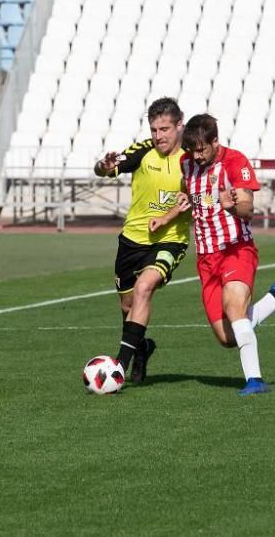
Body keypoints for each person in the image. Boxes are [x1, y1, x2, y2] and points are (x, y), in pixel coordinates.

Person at [180, 113, 275, 395]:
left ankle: (255, 380)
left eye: (202, 149)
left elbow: (248, 210)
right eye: (192, 149)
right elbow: (190, 193)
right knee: (227, 337)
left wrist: (231, 206)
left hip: (237, 249)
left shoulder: (235, 162)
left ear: (215, 141)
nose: (197, 155)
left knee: (234, 307)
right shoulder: (186, 163)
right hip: (206, 257)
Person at [93, 97, 190, 383]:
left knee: (145, 288)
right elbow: (106, 169)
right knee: (127, 307)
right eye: (154, 130)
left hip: (170, 241)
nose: (159, 136)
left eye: (164, 129)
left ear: (179, 125)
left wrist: (169, 218)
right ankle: (142, 347)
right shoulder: (142, 151)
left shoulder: (191, 159)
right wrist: (104, 164)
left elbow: (197, 199)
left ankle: (118, 366)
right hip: (132, 240)